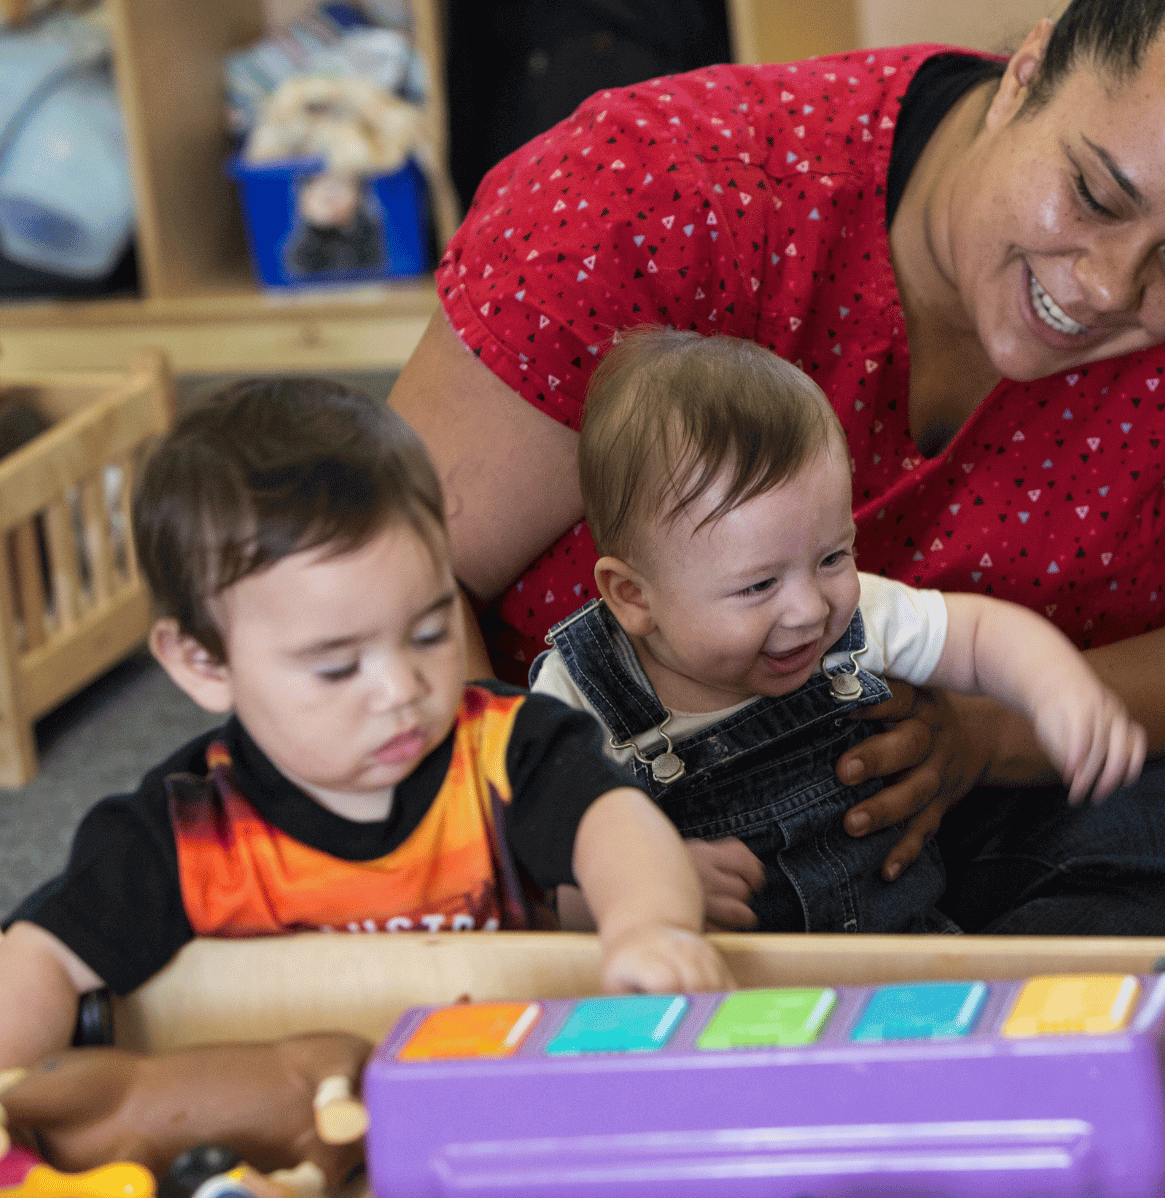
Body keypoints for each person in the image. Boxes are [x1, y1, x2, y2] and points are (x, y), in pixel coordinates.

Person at [388, 0, 1165, 937]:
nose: (1104, 285)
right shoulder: (661, 192)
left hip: (943, 822)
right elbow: (401, 572)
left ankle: (922, 1037)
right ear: (1025, 74)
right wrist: (555, 852)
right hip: (614, 838)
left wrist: (991, 730)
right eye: (1094, 194)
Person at [0, 378, 731, 1071]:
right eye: (336, 667)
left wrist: (650, 921)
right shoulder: (191, 829)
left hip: (499, 1085)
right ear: (203, 663)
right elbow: (42, 955)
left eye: (427, 631)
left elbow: (613, 823)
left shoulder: (507, 748)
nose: (400, 689)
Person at [532, 329, 1146, 932]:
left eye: (832, 558)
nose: (809, 610)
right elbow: (541, 886)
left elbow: (982, 635)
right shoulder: (580, 698)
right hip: (715, 1003)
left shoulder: (853, 621)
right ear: (634, 596)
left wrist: (1061, 693)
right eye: (758, 586)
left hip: (902, 964)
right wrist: (645, 885)